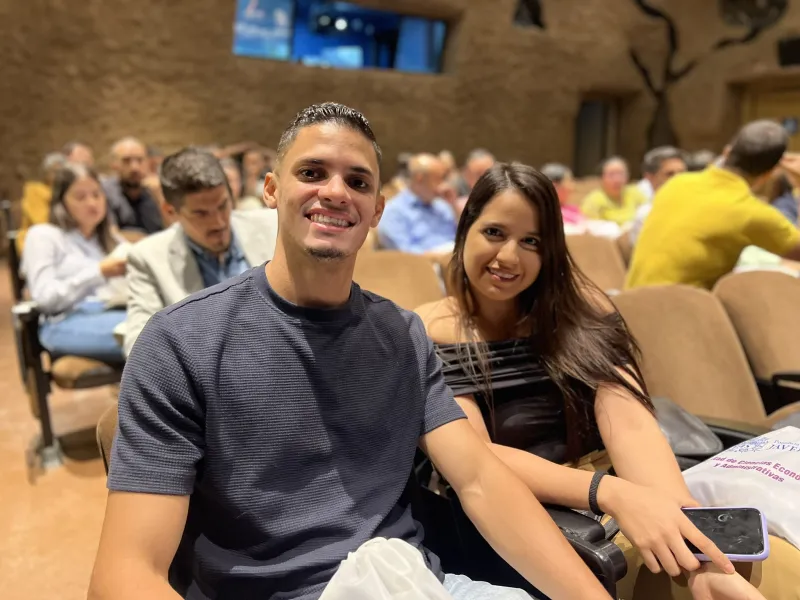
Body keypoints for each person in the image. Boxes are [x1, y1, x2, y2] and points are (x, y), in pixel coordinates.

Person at [89, 103, 619, 600]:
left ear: (376, 210)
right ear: (271, 190)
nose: (336, 192)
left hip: (413, 583)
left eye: (358, 182)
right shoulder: (180, 342)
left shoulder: (402, 335)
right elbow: (126, 572)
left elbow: (479, 479)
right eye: (312, 172)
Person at [415, 162, 772, 600]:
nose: (509, 256)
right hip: (516, 513)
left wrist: (692, 543)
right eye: (494, 233)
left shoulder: (582, 310)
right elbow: (475, 457)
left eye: (531, 241)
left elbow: (630, 422)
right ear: (465, 228)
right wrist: (610, 494)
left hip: (614, 490)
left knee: (744, 571)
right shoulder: (430, 329)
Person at [121, 147, 278, 357]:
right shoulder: (148, 257)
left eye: (223, 206)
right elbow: (140, 345)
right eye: (201, 214)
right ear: (171, 212)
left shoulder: (273, 226)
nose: (218, 222)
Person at [627, 120, 800, 290]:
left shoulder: (677, 183)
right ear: (771, 173)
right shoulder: (751, 212)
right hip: (681, 306)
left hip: (627, 304)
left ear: (726, 152)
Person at [21, 163, 127, 364]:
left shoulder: (111, 238)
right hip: (64, 321)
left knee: (173, 325)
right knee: (152, 333)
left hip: (117, 311)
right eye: (80, 197)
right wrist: (99, 272)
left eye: (97, 194)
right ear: (61, 203)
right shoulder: (44, 235)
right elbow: (44, 299)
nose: (92, 203)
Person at [377, 153, 458, 254]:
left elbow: (460, 237)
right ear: (420, 178)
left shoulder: (442, 206)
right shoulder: (394, 211)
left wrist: (454, 205)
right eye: (438, 179)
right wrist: (439, 257)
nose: (444, 185)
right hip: (424, 262)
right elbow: (405, 255)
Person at [102, 137, 164, 234]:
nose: (134, 167)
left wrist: (160, 197)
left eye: (140, 160)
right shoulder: (104, 193)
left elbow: (173, 230)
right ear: (114, 164)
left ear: (148, 163)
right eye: (126, 161)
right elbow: (111, 235)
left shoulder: (153, 192)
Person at [630, 147, 688, 244]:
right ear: (650, 177)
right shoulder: (645, 216)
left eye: (682, 173)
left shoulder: (698, 208)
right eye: (670, 174)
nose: (678, 179)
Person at [15, 152, 67, 254]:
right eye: (55, 171)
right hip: (38, 239)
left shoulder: (68, 191)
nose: (59, 176)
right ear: (46, 173)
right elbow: (41, 221)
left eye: (63, 172)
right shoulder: (34, 190)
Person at [582, 157, 647, 226]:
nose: (617, 180)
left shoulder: (635, 193)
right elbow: (590, 226)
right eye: (611, 175)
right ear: (602, 178)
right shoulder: (593, 200)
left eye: (621, 174)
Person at [540, 162, 583, 228]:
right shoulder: (541, 214)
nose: (572, 187)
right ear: (554, 186)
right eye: (569, 181)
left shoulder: (573, 210)